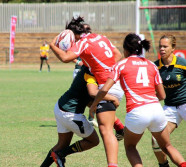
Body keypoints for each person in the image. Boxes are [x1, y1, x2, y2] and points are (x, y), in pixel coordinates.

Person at [89, 33, 186, 167]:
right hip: (156, 109)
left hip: (137, 111)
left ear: (126, 49)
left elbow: (104, 89)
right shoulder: (151, 65)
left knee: (130, 146)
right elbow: (162, 95)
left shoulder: (121, 64)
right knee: (167, 146)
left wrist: (94, 105)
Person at [50, 16, 124, 167]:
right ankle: (120, 127)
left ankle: (118, 135)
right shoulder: (101, 37)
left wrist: (52, 45)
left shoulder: (83, 42)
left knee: (105, 132)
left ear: (75, 34)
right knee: (101, 119)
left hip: (105, 88)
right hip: (115, 84)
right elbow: (118, 55)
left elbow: (65, 58)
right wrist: (101, 68)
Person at [40, 65, 120, 167]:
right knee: (93, 141)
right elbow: (92, 92)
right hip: (71, 113)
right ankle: (60, 154)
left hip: (61, 107)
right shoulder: (90, 71)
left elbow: (86, 99)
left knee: (62, 145)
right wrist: (113, 98)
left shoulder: (87, 67)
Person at [152, 34, 186, 167]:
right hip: (170, 108)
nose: (162, 49)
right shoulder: (155, 67)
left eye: (165, 46)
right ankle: (163, 165)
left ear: (173, 48)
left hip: (184, 104)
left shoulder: (182, 64)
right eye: (160, 46)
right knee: (156, 140)